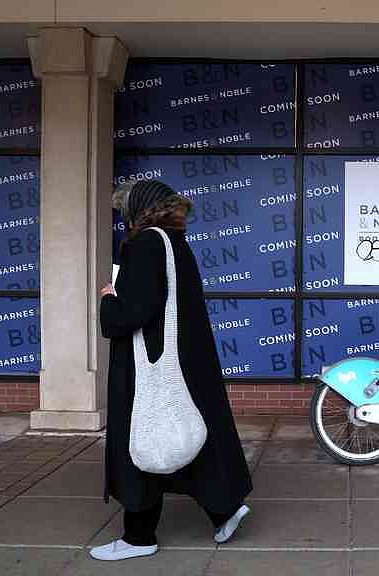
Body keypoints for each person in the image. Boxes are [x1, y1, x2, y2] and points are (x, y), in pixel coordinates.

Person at [92, 180, 253, 561]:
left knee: (143, 440)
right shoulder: (174, 243)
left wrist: (108, 302)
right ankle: (225, 509)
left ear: (139, 209)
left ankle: (138, 538)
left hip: (149, 364)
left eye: (125, 210)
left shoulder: (146, 243)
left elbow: (135, 312)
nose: (123, 218)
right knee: (183, 434)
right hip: (183, 362)